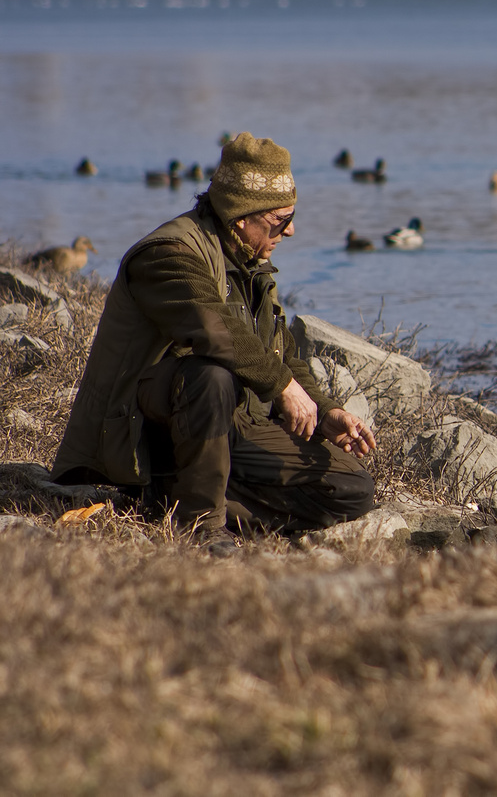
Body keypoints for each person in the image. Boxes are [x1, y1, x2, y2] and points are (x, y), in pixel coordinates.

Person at [52, 133, 377, 554]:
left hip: (231, 422)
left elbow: (279, 354)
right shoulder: (168, 254)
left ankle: (170, 498)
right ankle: (202, 523)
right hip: (148, 427)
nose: (291, 230)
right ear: (242, 216)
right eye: (281, 219)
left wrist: (326, 410)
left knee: (352, 489)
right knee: (211, 375)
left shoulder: (251, 259)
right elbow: (215, 329)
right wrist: (281, 387)